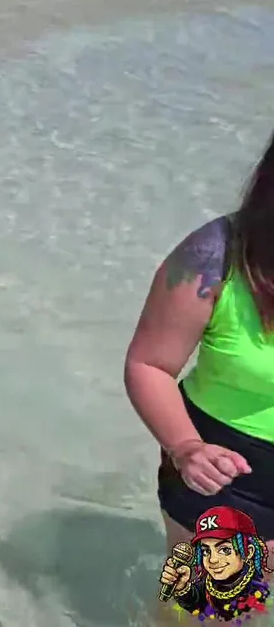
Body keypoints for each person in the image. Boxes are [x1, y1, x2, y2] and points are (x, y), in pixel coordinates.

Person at [125, 129, 274, 602]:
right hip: (229, 471)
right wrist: (186, 447)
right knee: (209, 613)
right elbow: (149, 364)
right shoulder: (217, 255)